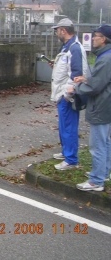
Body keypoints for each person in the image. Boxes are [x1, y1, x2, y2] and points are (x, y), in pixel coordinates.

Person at [68, 25, 111, 191]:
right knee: (105, 142)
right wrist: (86, 79)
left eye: (97, 36)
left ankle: (96, 181)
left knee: (97, 144)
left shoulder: (106, 59)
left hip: (101, 105)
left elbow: (96, 87)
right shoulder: (106, 56)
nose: (93, 38)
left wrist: (76, 88)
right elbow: (101, 80)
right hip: (105, 105)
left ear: (104, 39)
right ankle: (103, 172)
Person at [50, 18, 88, 170]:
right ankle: (66, 152)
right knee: (64, 126)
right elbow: (66, 69)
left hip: (67, 95)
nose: (56, 33)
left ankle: (71, 159)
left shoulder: (74, 49)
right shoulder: (67, 47)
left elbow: (77, 75)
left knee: (69, 126)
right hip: (62, 94)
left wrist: (68, 94)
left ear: (63, 31)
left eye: (57, 30)